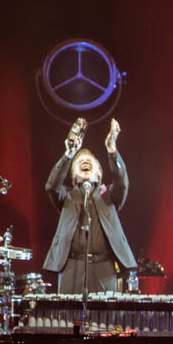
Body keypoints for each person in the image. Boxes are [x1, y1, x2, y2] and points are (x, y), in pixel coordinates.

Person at [43, 117, 137, 294]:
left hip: (104, 268)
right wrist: (69, 155)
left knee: (101, 320)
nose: (85, 162)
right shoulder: (67, 196)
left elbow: (122, 182)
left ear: (99, 174)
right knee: (70, 319)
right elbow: (51, 186)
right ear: (73, 177)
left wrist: (112, 150)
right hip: (71, 266)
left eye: (90, 161)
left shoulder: (109, 195)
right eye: (79, 163)